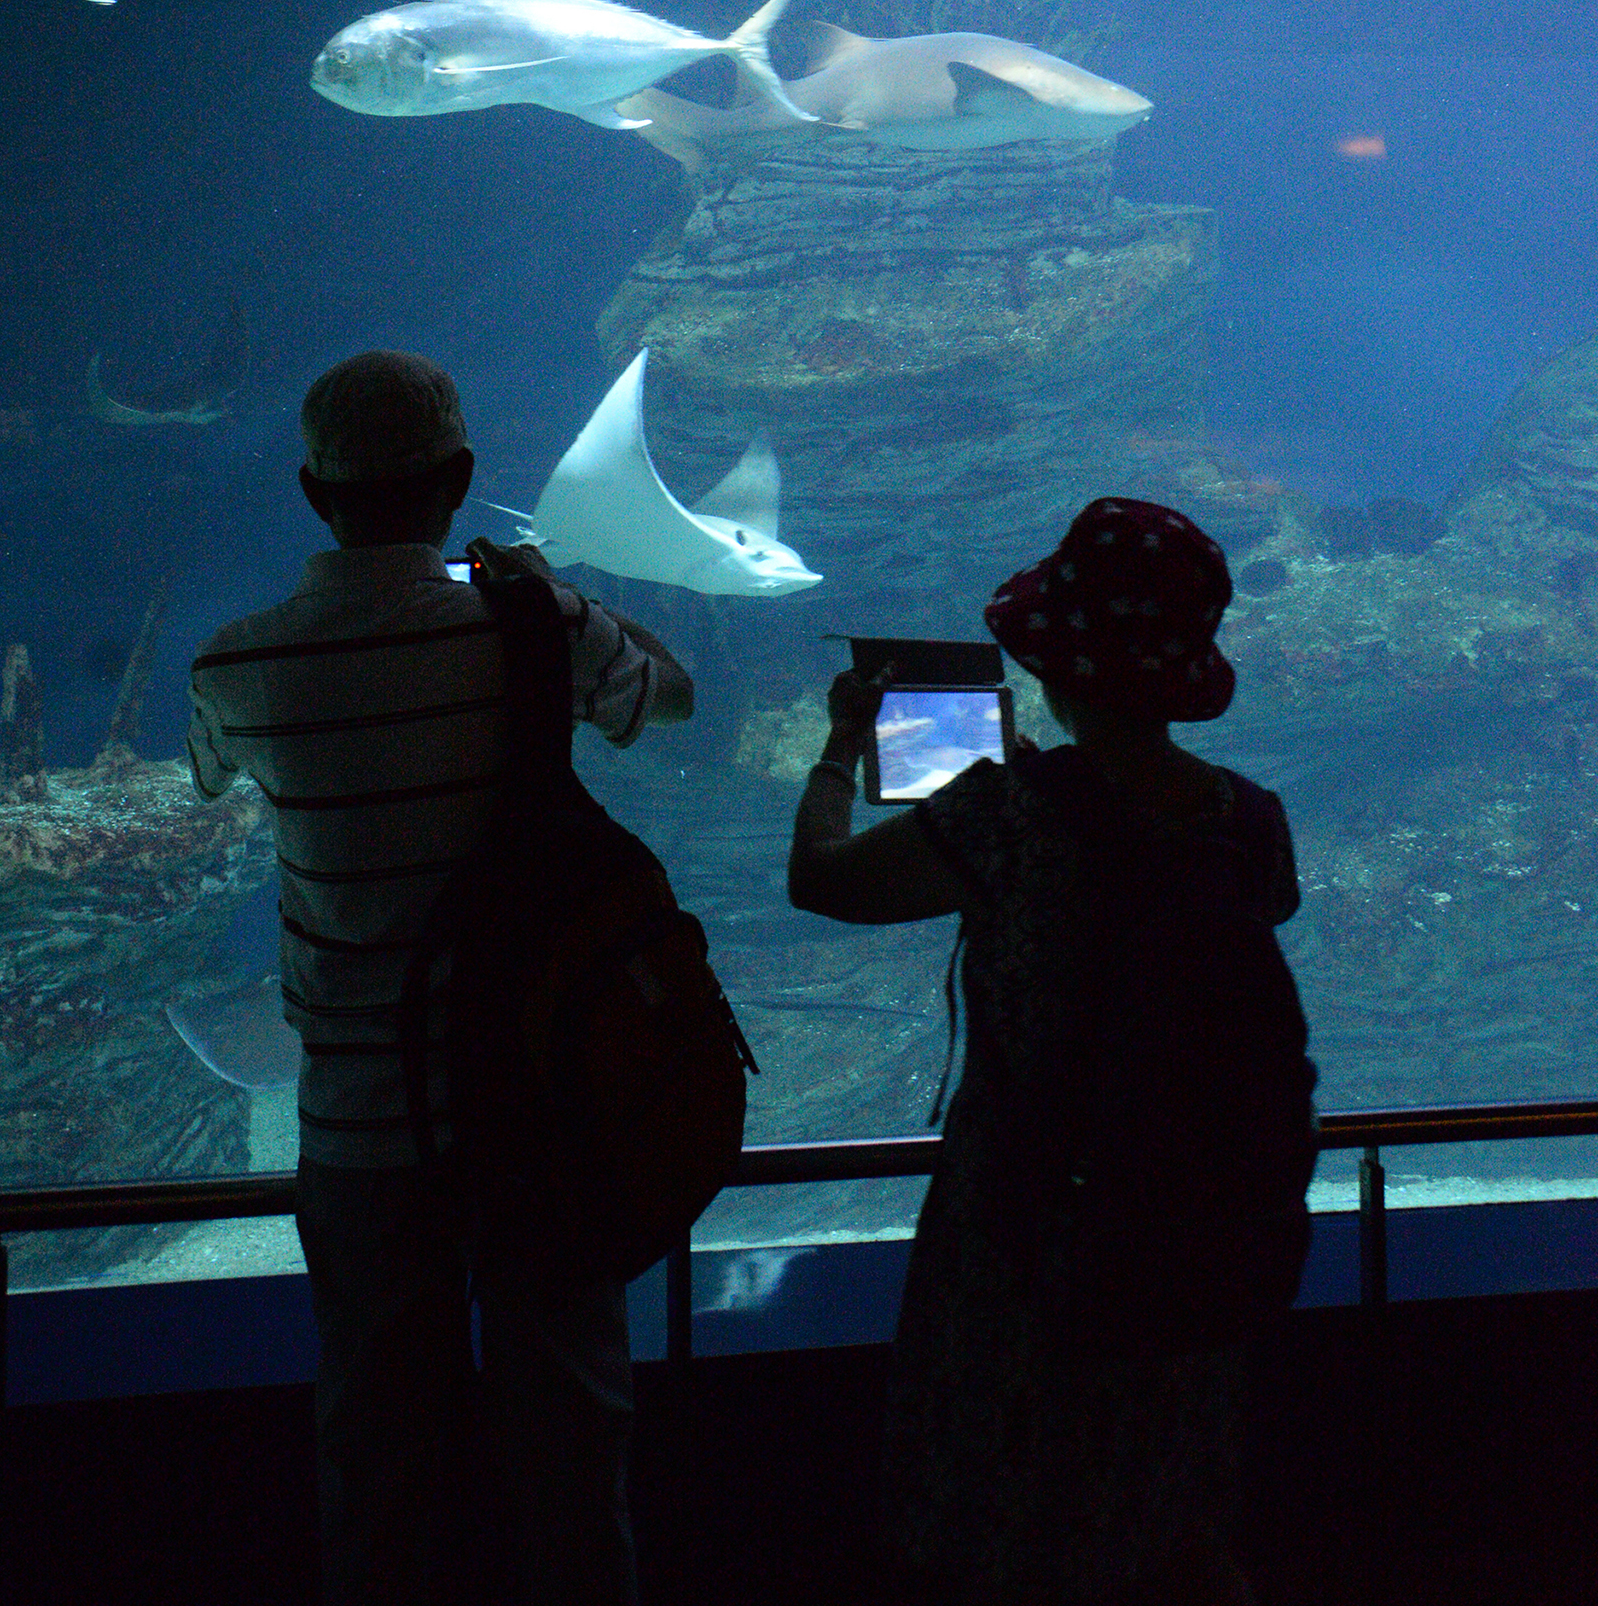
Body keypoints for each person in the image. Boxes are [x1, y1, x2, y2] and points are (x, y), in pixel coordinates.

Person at [187, 349, 694, 1606]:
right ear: (461, 479)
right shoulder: (532, 628)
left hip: (361, 1126)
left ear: (312, 491)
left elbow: (207, 775)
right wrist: (556, 602)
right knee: (572, 1446)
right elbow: (670, 699)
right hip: (541, 1104)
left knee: (374, 1446)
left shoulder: (240, 666)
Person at [788, 496, 1304, 1606]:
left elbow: (821, 881)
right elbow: (1181, 862)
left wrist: (839, 748)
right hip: (1193, 1223)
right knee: (1163, 1508)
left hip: (1017, 1226)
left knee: (1002, 1508)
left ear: (1056, 664)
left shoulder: (1008, 814)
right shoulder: (1250, 819)